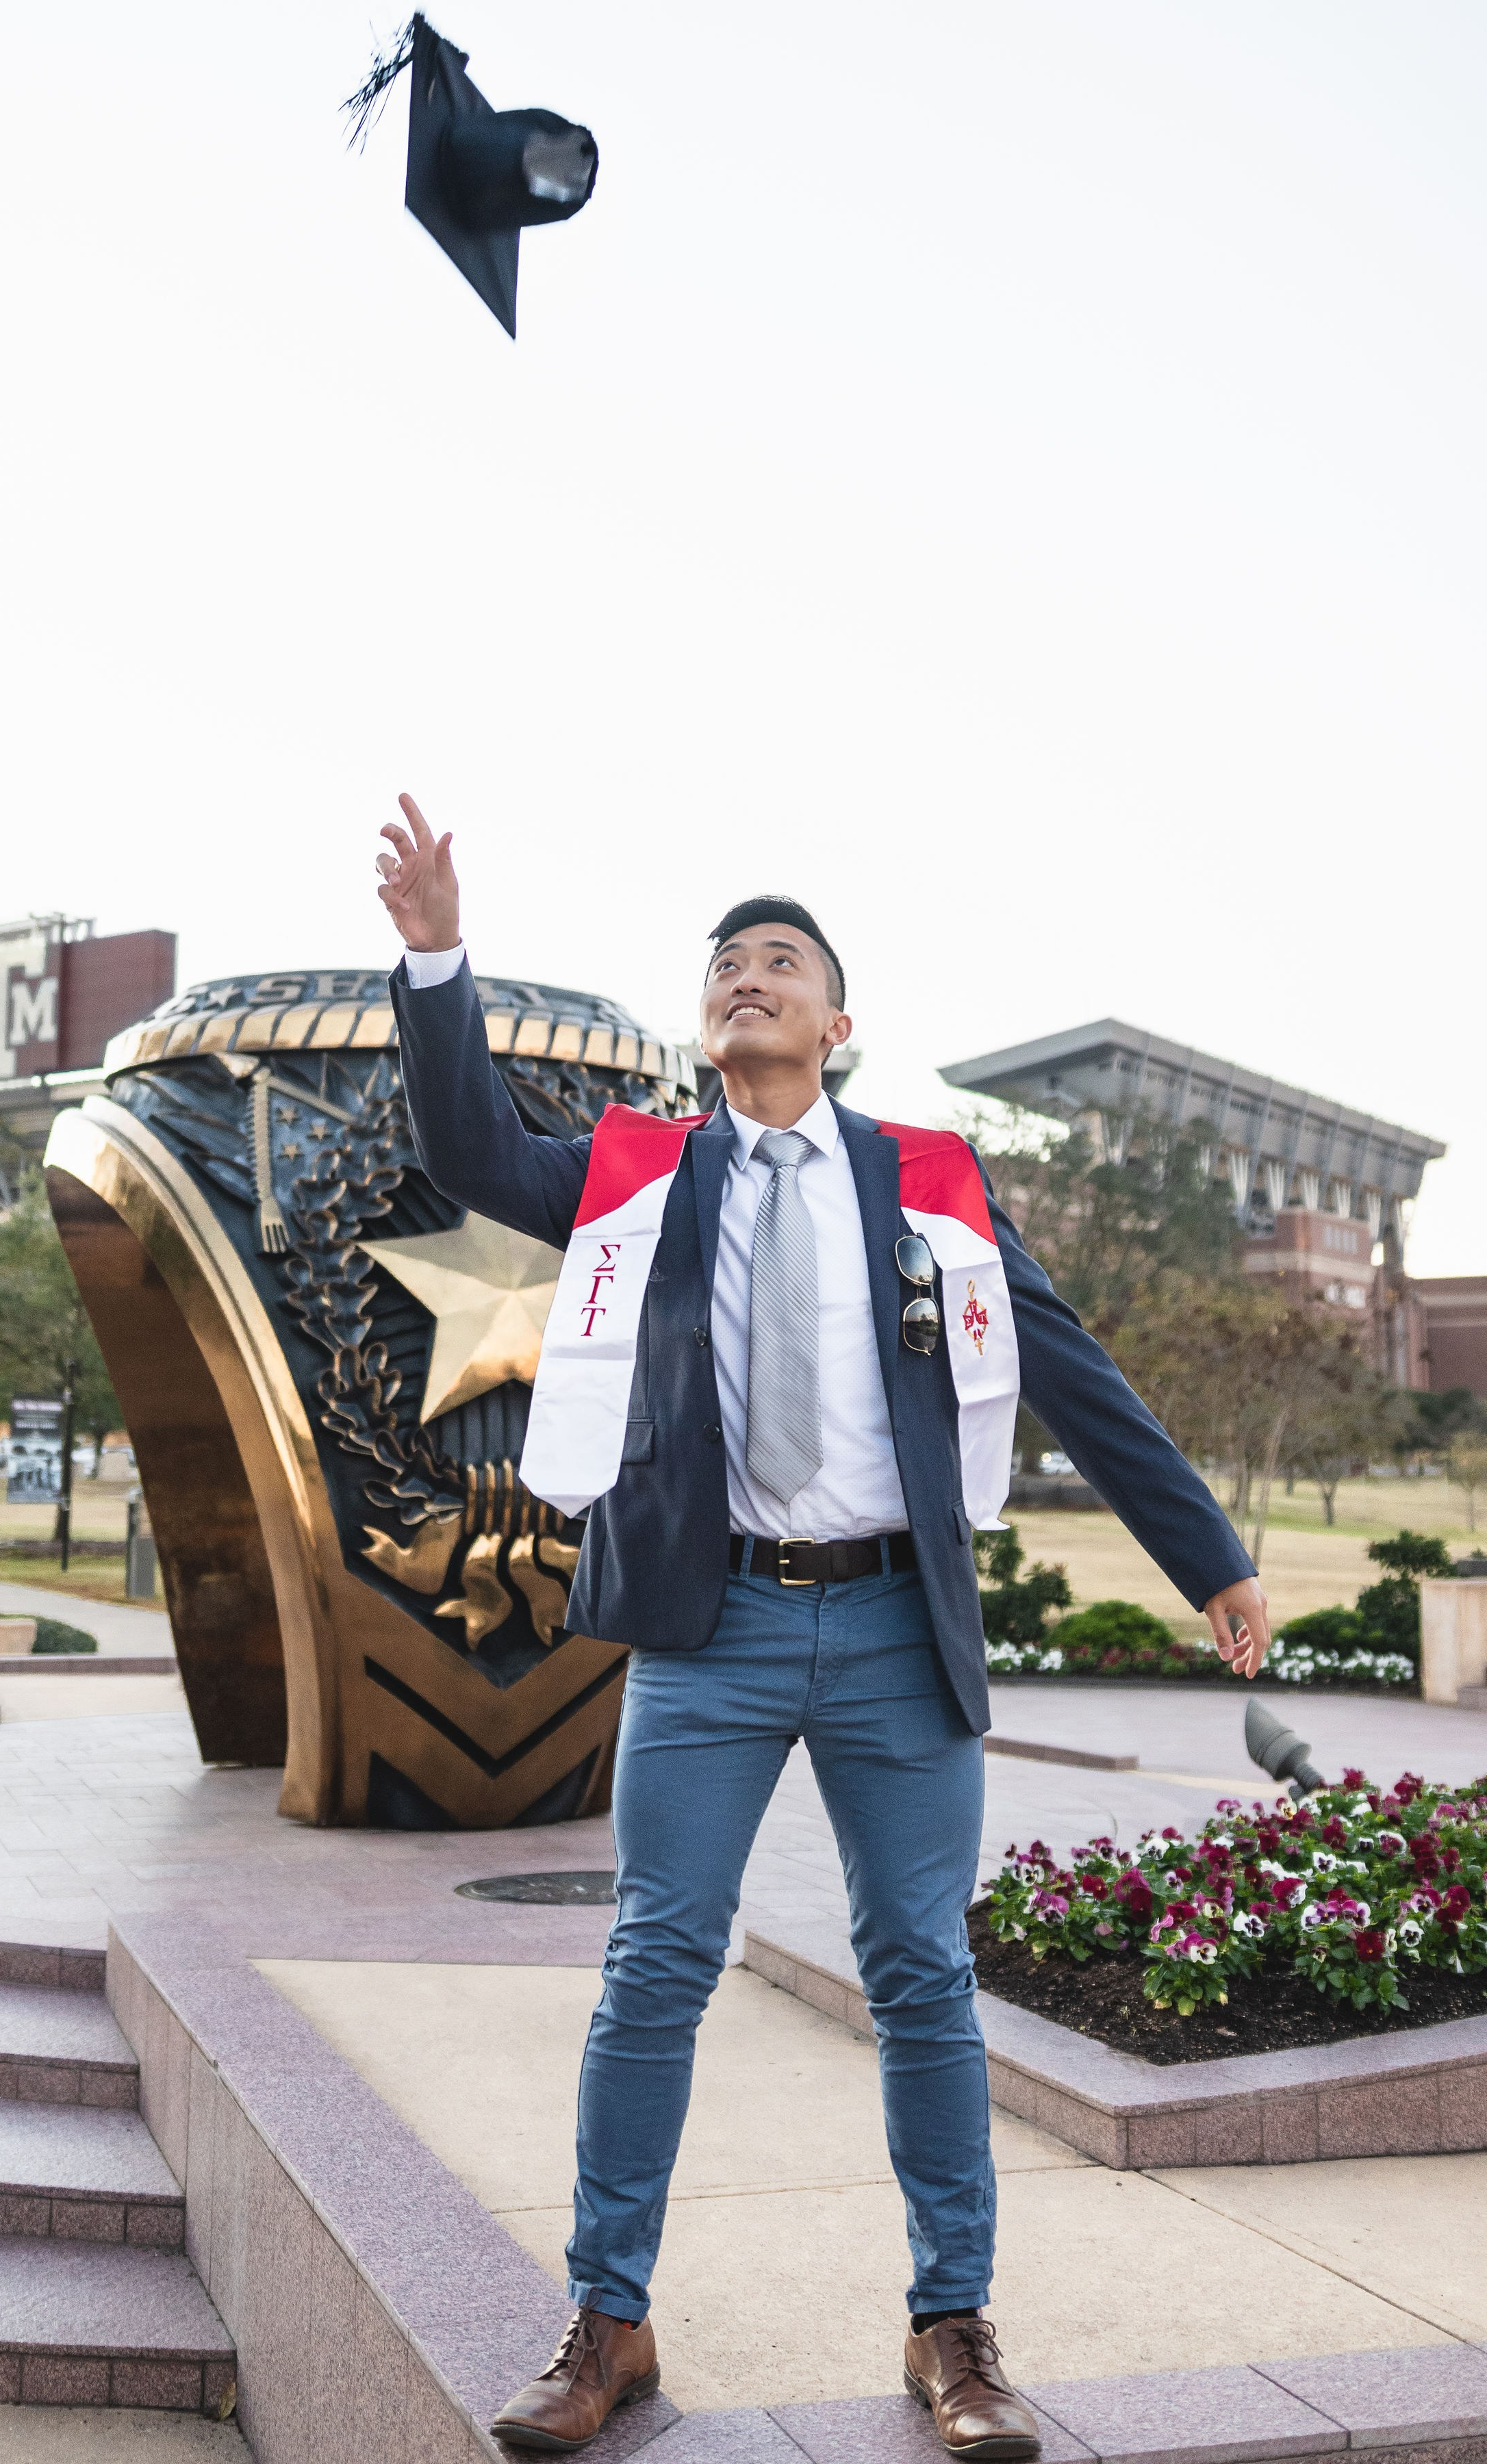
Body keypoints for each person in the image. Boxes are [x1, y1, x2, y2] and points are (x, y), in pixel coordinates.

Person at [377, 794, 1270, 2458]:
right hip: (705, 1635)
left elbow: (1066, 1369)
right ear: (703, 1019)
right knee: (651, 1967)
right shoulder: (643, 1175)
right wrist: (436, 953)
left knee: (923, 1977)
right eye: (724, 962)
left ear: (838, 1026)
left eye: (780, 961)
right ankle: (606, 2324)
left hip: (886, 1632)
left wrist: (1203, 1554)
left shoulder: (926, 1184)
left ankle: (953, 2331)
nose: (747, 975)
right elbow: (474, 1160)